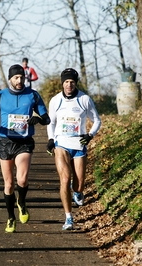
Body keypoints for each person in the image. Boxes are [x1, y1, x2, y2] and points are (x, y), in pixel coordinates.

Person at [0, 64, 50, 233]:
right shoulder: (0, 96)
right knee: (9, 183)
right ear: (10, 79)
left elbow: (46, 119)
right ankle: (11, 218)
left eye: (22, 77)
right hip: (5, 142)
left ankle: (22, 202)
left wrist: (37, 119)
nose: (20, 80)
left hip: (24, 142)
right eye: (16, 78)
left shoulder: (33, 95)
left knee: (22, 180)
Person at [46, 68, 101, 230]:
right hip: (61, 144)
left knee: (79, 184)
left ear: (75, 83)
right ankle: (68, 218)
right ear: (62, 83)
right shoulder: (56, 100)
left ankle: (77, 192)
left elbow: (97, 120)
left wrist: (90, 135)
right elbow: (51, 122)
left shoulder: (84, 99)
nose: (69, 85)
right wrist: (51, 139)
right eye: (66, 82)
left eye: (72, 82)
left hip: (79, 145)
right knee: (64, 179)